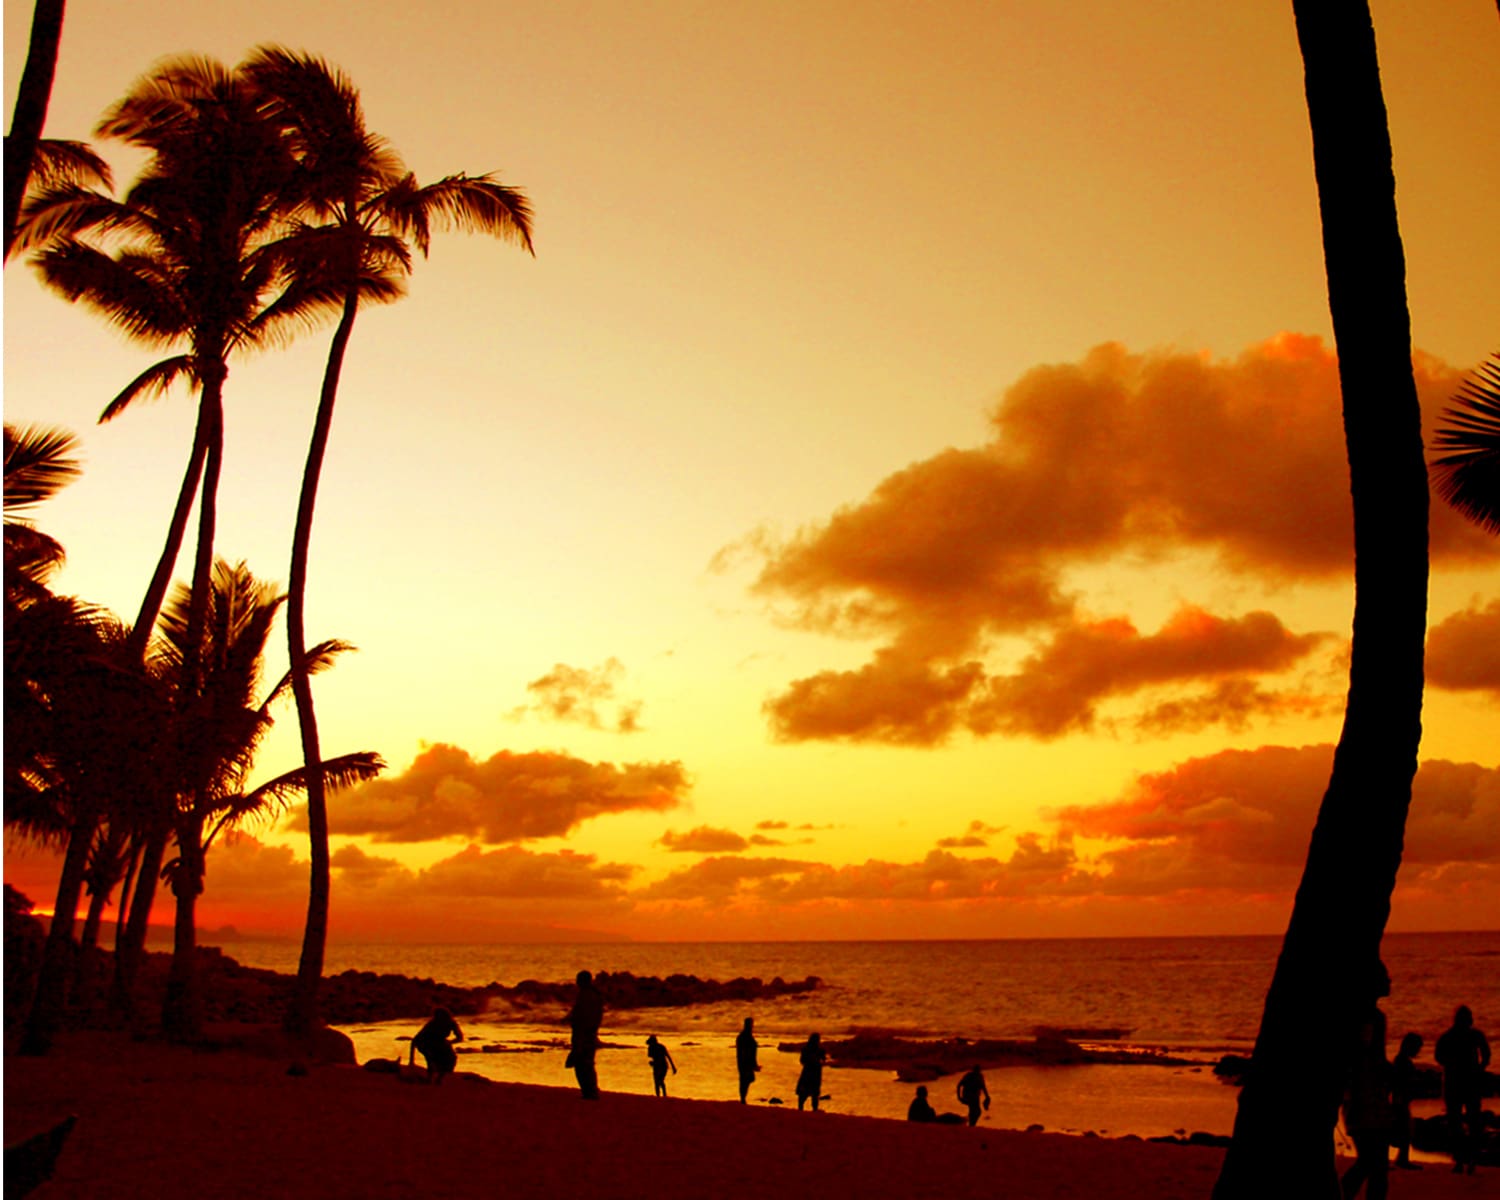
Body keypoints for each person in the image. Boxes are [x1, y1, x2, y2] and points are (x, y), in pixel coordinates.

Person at [1340, 960, 1392, 1200]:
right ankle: (1345, 1190)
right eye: (1385, 977)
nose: (1390, 981)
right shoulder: (1369, 1018)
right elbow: (1364, 1055)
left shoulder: (1371, 1017)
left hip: (1370, 1097)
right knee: (1374, 1162)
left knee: (1375, 1163)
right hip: (1365, 1098)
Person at [1435, 1005, 1491, 1175]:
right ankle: (1470, 1159)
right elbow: (1487, 1054)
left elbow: (1439, 1057)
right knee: (1472, 1121)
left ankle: (1460, 1160)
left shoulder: (1448, 1036)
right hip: (1469, 1083)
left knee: (1456, 1123)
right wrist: (1480, 1068)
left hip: (1454, 1083)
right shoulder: (1475, 1035)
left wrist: (1451, 1066)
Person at [564, 969, 605, 1099]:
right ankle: (590, 1091)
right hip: (590, 1033)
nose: (576, 983)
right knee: (586, 1063)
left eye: (578, 980)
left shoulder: (586, 995)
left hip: (584, 1033)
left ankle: (589, 1092)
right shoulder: (595, 995)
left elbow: (582, 1016)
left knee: (582, 1063)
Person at [1390, 1032, 1423, 1171]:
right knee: (1402, 1129)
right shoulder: (1402, 1061)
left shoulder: (1401, 1060)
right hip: (1400, 1099)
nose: (1418, 1051)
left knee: (1404, 1128)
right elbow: (1398, 1081)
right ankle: (1402, 1159)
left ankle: (1402, 1158)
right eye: (1417, 1048)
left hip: (1402, 1098)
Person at [409, 1006, 463, 1085]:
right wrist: (411, 1059)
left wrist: (450, 1042)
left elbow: (460, 1037)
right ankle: (430, 1078)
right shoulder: (432, 1023)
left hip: (439, 1042)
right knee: (432, 1059)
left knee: (451, 1058)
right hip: (425, 1042)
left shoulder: (451, 1023)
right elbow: (417, 1038)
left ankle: (438, 1079)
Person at [796, 1032, 826, 1111]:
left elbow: (802, 1061)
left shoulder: (806, 1049)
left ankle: (800, 1108)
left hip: (808, 1071)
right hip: (815, 1072)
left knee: (804, 1091)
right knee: (814, 1091)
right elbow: (824, 1060)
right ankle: (814, 1109)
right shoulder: (820, 1050)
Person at [736, 1017, 759, 1104]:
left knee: (747, 1079)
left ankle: (743, 1098)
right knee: (746, 1079)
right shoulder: (745, 1036)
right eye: (751, 1024)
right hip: (745, 1061)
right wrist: (753, 1063)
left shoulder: (744, 1035)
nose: (752, 1026)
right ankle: (742, 1098)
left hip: (743, 1061)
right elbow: (747, 1050)